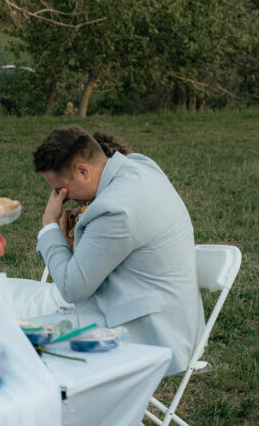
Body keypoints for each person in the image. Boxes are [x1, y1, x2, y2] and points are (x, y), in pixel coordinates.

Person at [33, 125, 205, 374]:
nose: (63, 198)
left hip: (152, 336)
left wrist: (49, 227)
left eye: (60, 190)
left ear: (83, 170)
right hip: (177, 321)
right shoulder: (138, 166)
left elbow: (72, 288)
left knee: (29, 346)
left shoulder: (115, 209)